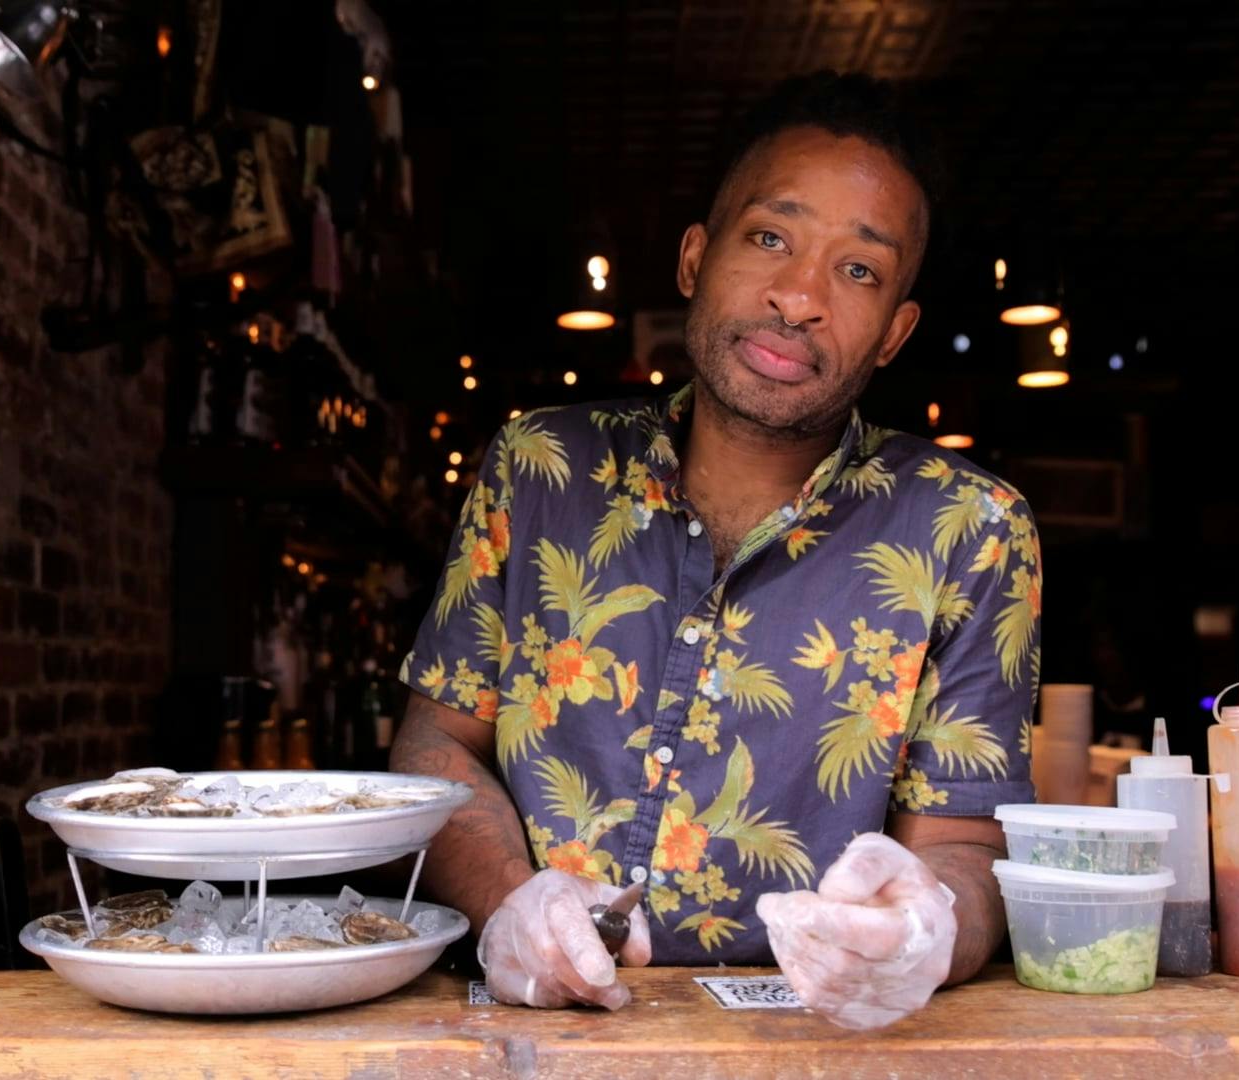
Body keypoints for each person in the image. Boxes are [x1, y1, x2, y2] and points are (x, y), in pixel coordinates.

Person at [388, 71, 1043, 1030]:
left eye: (858, 271)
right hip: (526, 1033)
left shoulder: (969, 529)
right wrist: (509, 905)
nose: (799, 297)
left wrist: (926, 927)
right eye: (771, 237)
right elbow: (436, 741)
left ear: (895, 333)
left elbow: (965, 850)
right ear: (696, 257)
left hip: (811, 1046)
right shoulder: (540, 468)